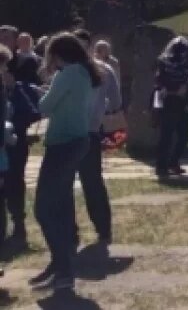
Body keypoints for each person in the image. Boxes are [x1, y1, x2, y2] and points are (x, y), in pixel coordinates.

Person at [30, 33, 101, 292]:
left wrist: (45, 93)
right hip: (79, 141)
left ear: (59, 54)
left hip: (62, 144)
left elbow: (45, 107)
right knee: (59, 207)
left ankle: (63, 269)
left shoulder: (67, 74)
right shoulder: (85, 73)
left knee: (44, 210)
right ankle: (60, 265)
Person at [77, 32, 120, 248]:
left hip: (70, 133)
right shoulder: (104, 68)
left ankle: (71, 231)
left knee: (68, 183)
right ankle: (103, 228)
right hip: (92, 131)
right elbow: (116, 101)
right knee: (93, 182)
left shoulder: (66, 70)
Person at [3, 53, 40, 248]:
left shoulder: (19, 90)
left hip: (15, 145)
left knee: (15, 182)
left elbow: (33, 113)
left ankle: (18, 223)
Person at [155, 36, 188, 179]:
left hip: (183, 101)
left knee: (185, 133)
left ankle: (173, 161)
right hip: (169, 101)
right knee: (167, 134)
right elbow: (159, 81)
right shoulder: (163, 61)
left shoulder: (187, 62)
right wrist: (172, 90)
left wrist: (186, 88)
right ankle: (161, 166)